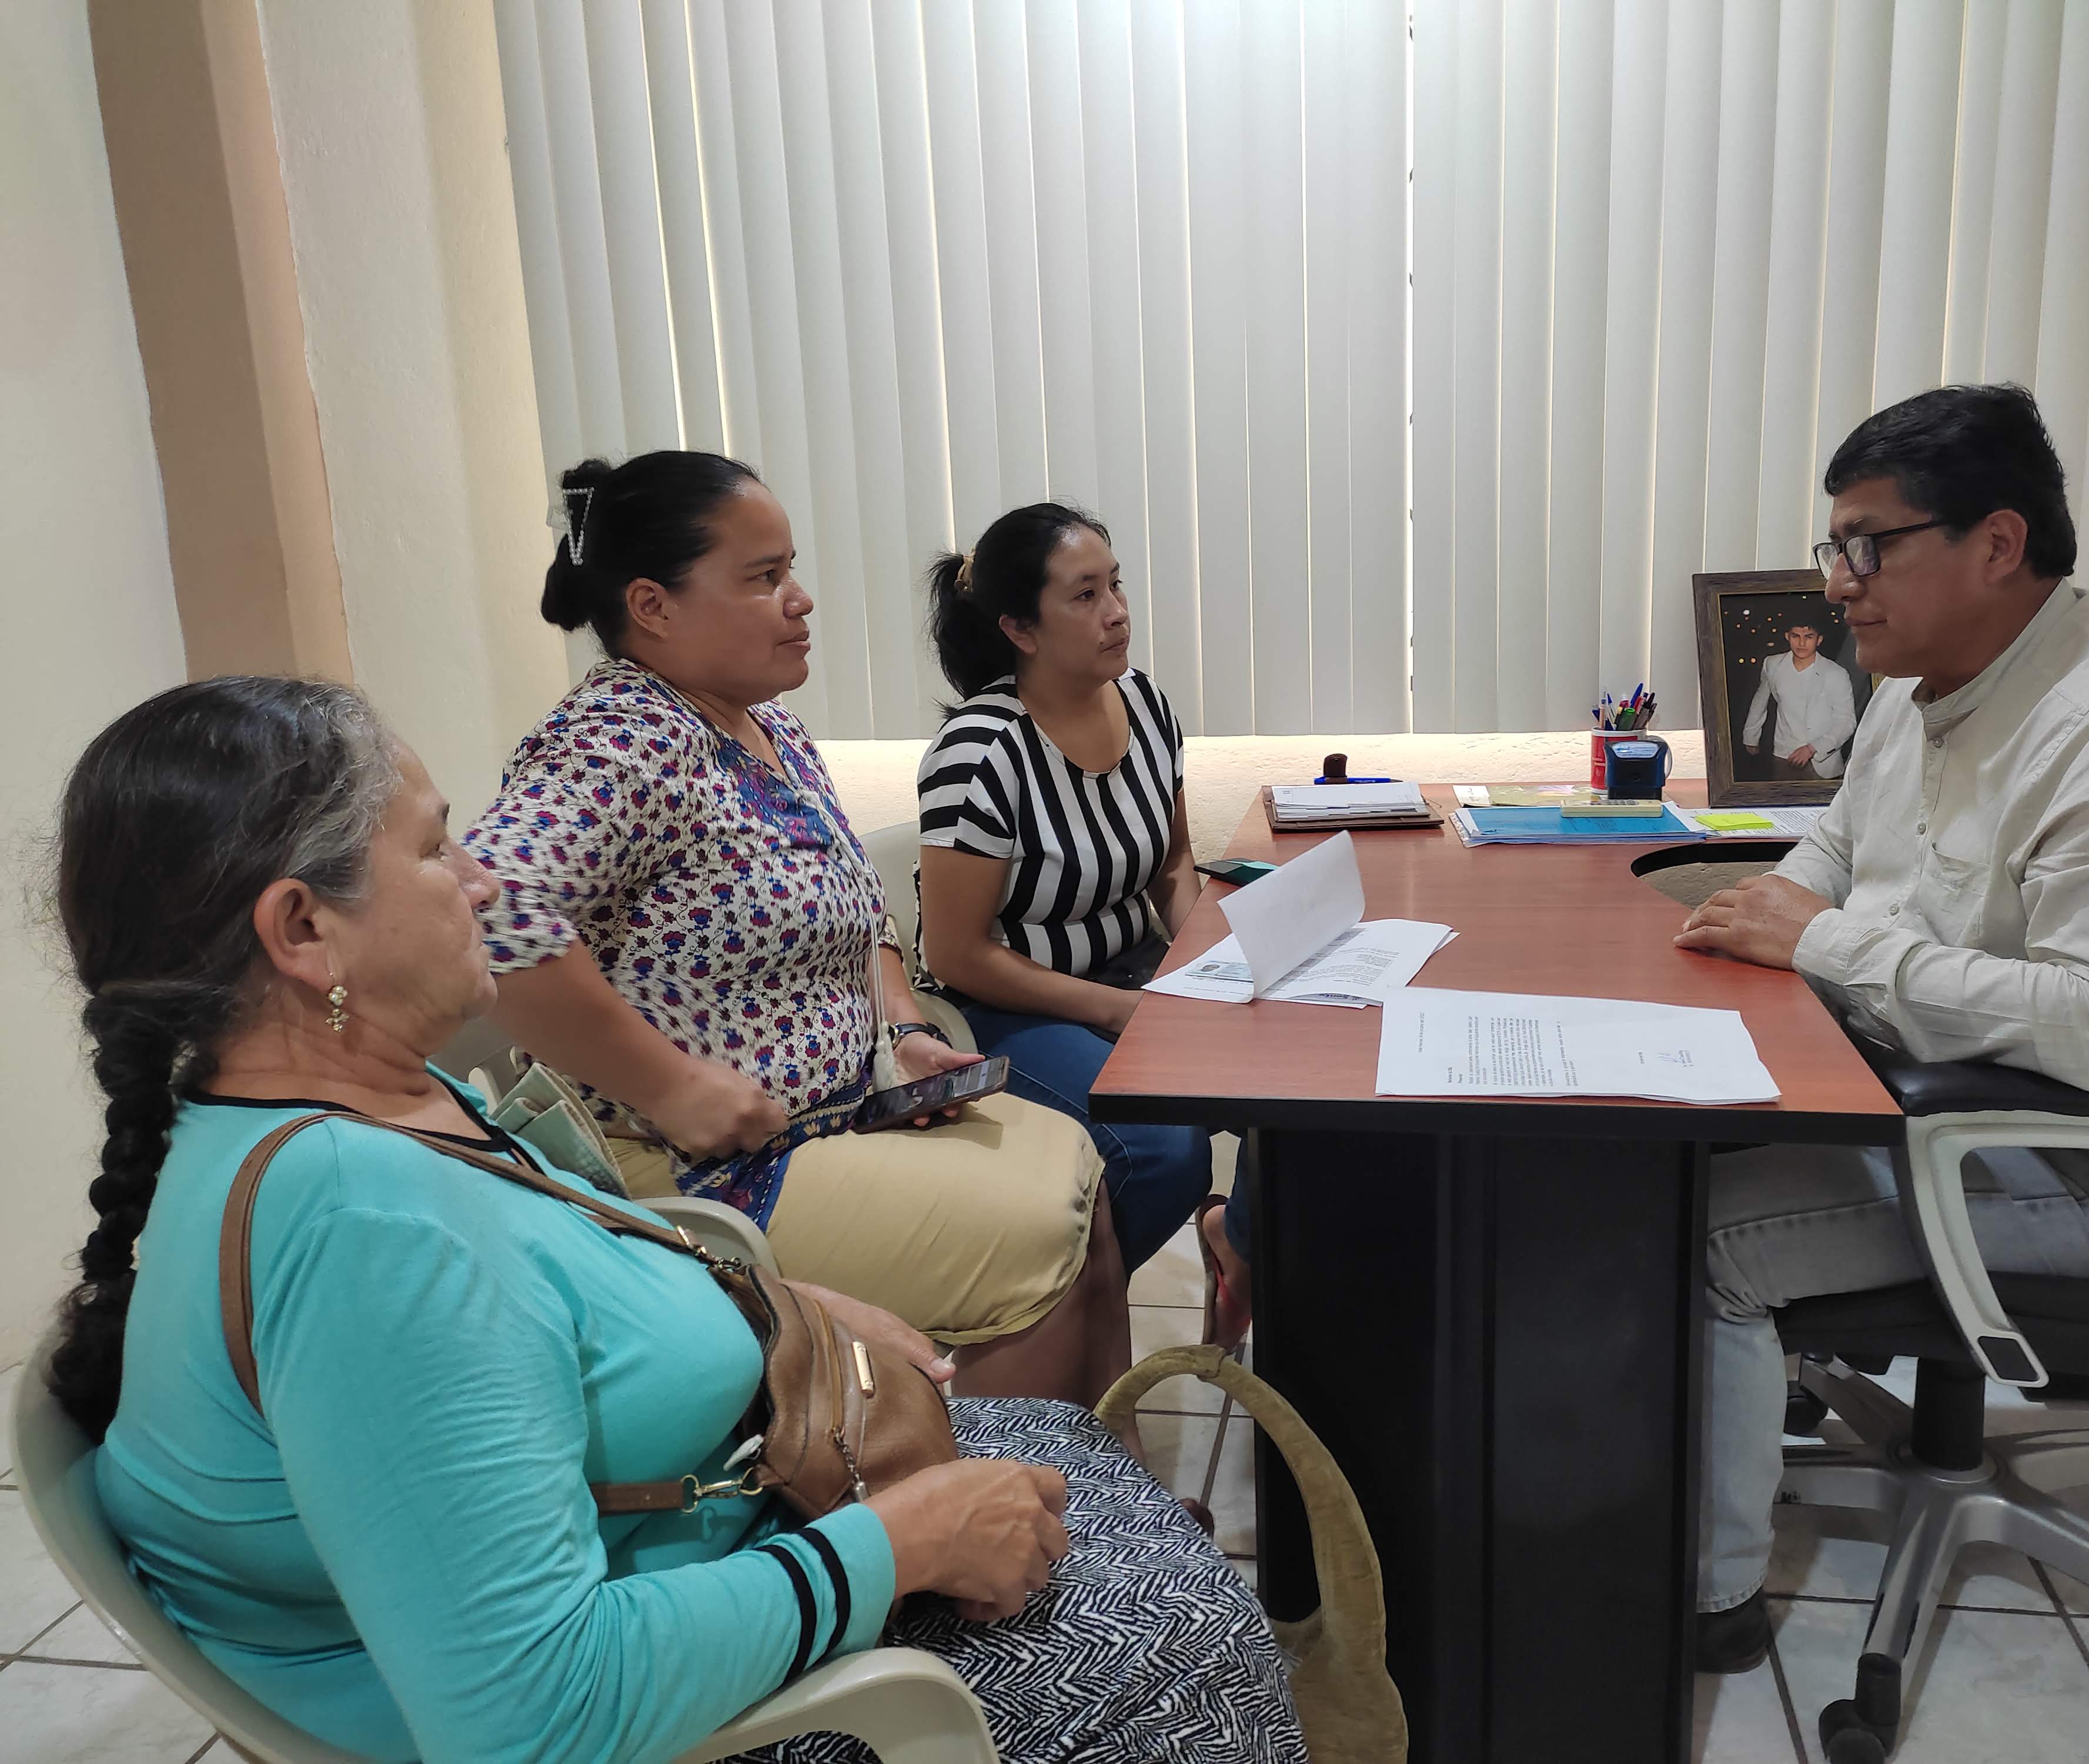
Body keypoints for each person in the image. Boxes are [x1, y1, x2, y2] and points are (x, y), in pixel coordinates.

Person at [55, 676, 1306, 1764]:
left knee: (1063, 1449)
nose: (484, 879)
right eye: (437, 851)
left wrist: (785, 1306)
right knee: (1192, 1655)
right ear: (304, 931)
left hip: (723, 1519)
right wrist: (901, 1543)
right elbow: (535, 1719)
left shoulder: (368, 1111)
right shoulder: (365, 1231)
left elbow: (551, 1292)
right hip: (686, 1708)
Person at [1672, 383, 2089, 1673]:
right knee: (1661, 1146)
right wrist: (1750, 921)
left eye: (1868, 546)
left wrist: (1817, 945)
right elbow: (1837, 850)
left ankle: (1710, 1600)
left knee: (1701, 1241)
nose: (1837, 584)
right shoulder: (1921, 682)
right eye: (1835, 546)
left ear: (1996, 544)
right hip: (1944, 1098)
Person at [466, 453, 1131, 1422]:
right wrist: (671, 1086)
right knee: (1033, 1230)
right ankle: (994, 1502)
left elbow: (862, 910)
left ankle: (1111, 1486)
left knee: (1080, 1171)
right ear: (654, 606)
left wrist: (902, 1029)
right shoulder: (622, 738)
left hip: (838, 1108)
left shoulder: (766, 726)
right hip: (707, 1168)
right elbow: (487, 907)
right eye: (764, 577)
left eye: (791, 570)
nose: (801, 599)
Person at [913, 503, 1226, 1317]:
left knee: (1296, 1071)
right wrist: (1119, 1010)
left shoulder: (1145, 704)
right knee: (1161, 1150)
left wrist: (1209, 966)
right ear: (1020, 629)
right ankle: (1060, 1328)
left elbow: (1171, 866)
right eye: (1085, 596)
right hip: (1007, 1004)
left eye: (1115, 585)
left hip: (1130, 976)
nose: (1117, 612)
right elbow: (956, 954)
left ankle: (1236, 1238)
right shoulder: (981, 752)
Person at [1741, 619, 1857, 780]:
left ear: (1819, 640)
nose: (1802, 643)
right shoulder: (1773, 665)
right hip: (1784, 756)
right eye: (1796, 636)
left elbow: (1847, 722)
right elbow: (1760, 702)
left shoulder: (1836, 674)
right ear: (1787, 637)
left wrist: (1813, 748)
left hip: (1823, 763)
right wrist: (1751, 737)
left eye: (1809, 637)